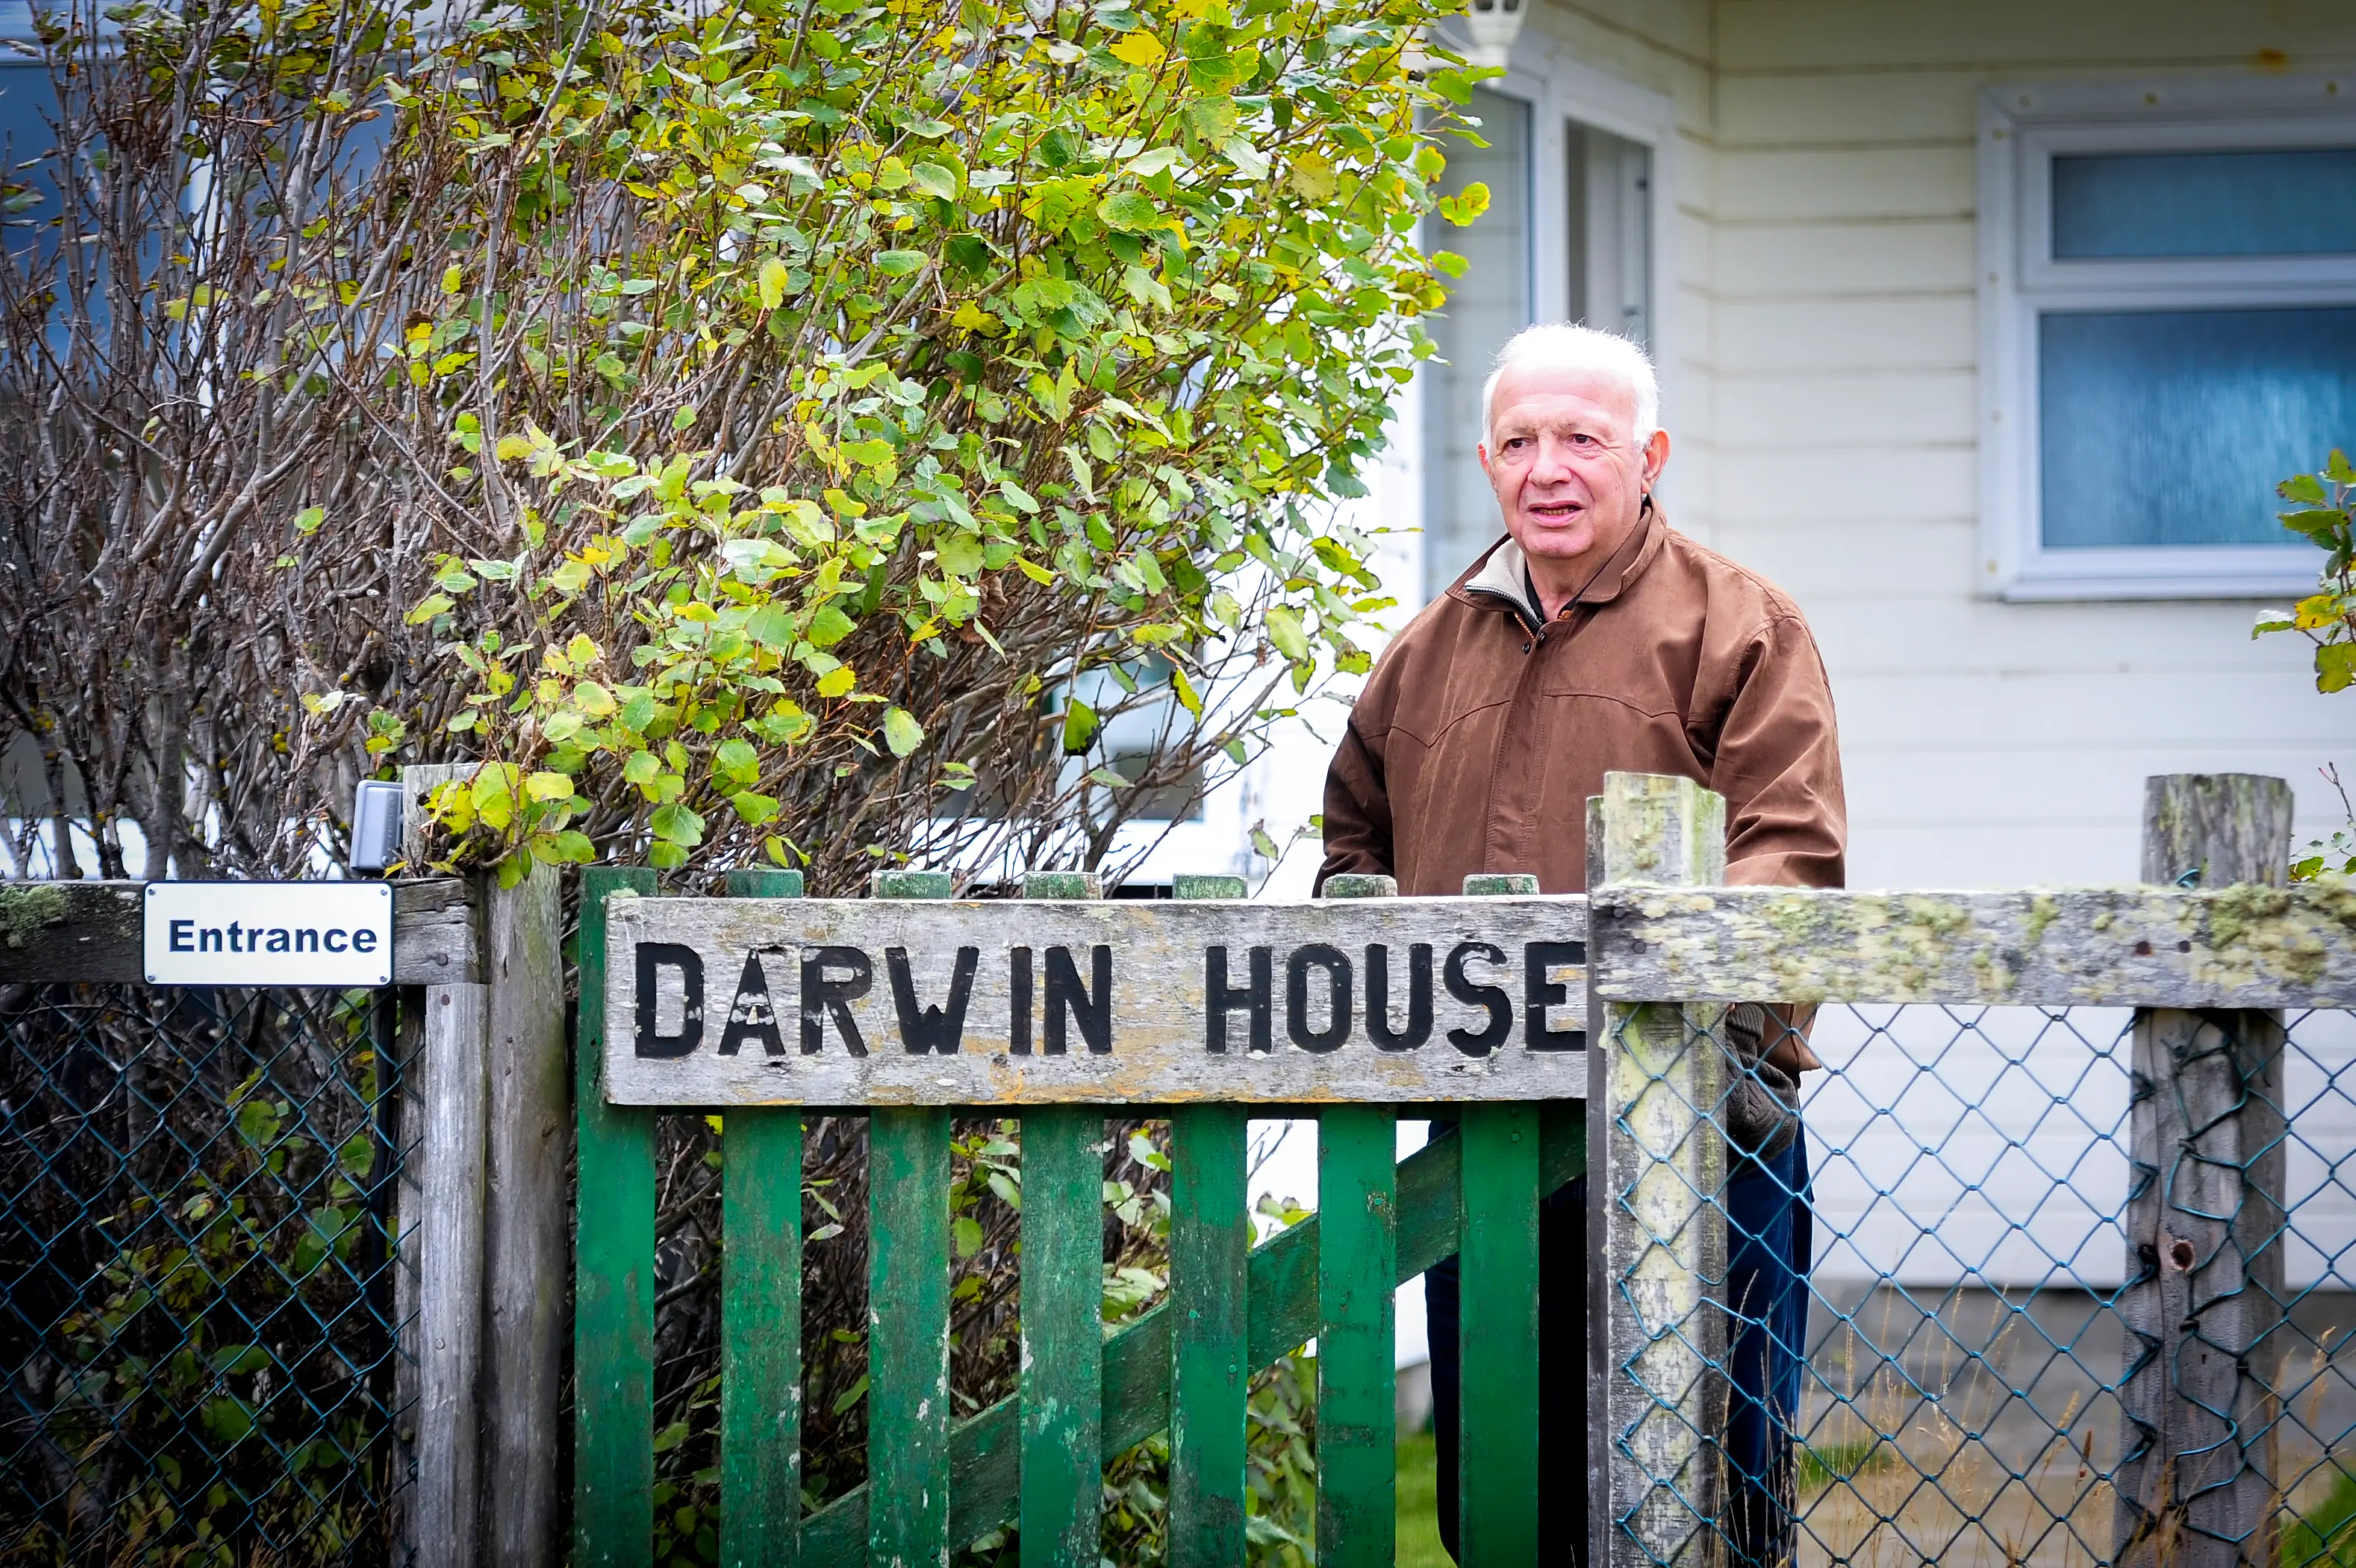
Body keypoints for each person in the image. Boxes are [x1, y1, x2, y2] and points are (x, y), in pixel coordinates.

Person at [1317, 322, 1846, 1566]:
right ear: (1488, 462)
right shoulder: (1425, 651)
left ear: (1647, 456)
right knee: (1502, 1499)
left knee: (1714, 1489)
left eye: (1581, 439)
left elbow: (1793, 860)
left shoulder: (1741, 627)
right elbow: (1351, 856)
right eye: (1516, 441)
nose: (1546, 467)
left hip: (1701, 1131)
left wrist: (1658, 1021)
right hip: (1486, 1138)